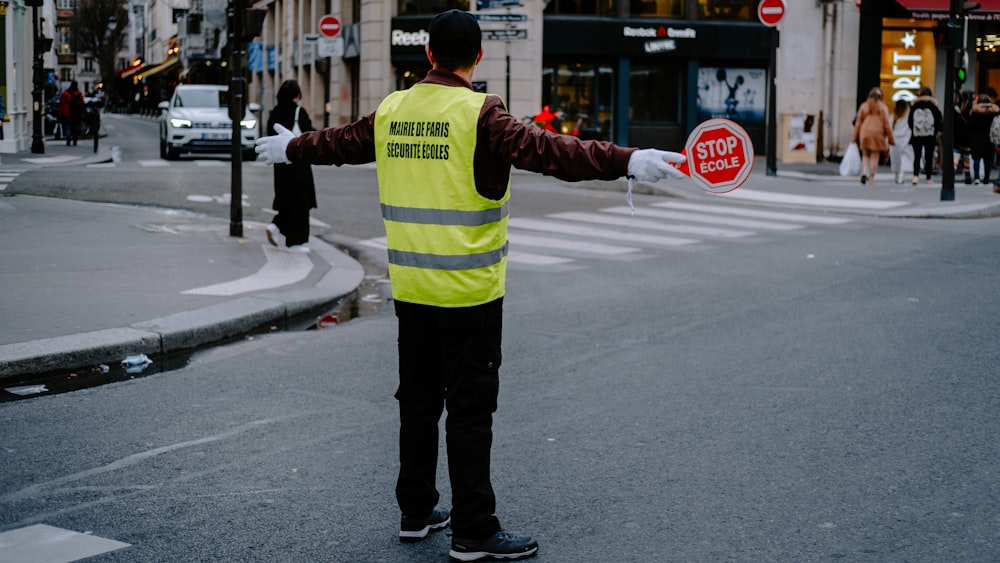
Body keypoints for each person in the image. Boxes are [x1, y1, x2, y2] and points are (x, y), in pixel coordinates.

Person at [255, 9, 686, 561]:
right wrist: (629, 160)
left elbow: (340, 143)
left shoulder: (392, 109)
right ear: (477, 57)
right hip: (470, 295)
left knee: (417, 401)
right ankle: (473, 530)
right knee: (469, 411)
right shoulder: (481, 114)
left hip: (411, 291)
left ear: (428, 54)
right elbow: (554, 151)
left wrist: (293, 147)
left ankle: (415, 511)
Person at [264, 79, 317, 253]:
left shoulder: (274, 113)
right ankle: (295, 243)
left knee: (286, 198)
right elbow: (309, 133)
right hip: (298, 163)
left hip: (280, 164)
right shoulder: (298, 112)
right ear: (296, 95)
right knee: (301, 203)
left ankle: (276, 226)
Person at [851, 86, 895, 185]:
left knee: (865, 154)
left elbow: (858, 123)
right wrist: (891, 139)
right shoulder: (883, 107)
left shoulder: (864, 106)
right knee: (875, 155)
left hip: (865, 131)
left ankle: (864, 172)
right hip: (877, 133)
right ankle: (871, 177)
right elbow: (887, 125)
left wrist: (854, 137)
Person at [908, 86, 943, 185]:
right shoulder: (933, 106)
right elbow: (938, 120)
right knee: (929, 156)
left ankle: (915, 176)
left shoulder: (915, 106)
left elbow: (910, 121)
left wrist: (914, 130)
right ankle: (928, 177)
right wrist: (935, 131)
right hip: (930, 135)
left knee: (917, 156)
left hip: (916, 135)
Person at [968, 93, 999, 185]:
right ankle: (986, 179)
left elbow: (970, 125)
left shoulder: (975, 112)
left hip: (977, 138)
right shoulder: (993, 112)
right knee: (987, 160)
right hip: (989, 139)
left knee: (976, 158)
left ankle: (977, 178)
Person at [889, 100, 913, 184]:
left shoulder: (893, 117)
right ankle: (901, 177)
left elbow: (889, 129)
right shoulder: (908, 117)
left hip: (894, 141)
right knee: (904, 160)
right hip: (905, 141)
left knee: (896, 161)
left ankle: (896, 176)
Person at [953, 89, 974, 184]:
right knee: (966, 158)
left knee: (955, 157)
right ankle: (967, 176)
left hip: (957, 136)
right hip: (967, 136)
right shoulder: (970, 108)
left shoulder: (955, 108)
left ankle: (951, 175)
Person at [58, 81, 86, 146]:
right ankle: (75, 140)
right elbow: (82, 104)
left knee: (68, 126)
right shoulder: (79, 94)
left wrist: (60, 113)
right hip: (76, 114)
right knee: (75, 127)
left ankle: (68, 139)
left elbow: (62, 104)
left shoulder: (65, 93)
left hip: (67, 113)